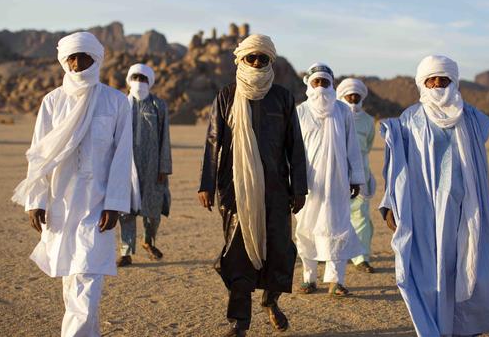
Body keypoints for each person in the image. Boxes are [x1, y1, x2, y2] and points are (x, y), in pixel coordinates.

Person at [379, 55, 489, 336]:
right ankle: (437, 327)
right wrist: (390, 204)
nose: (437, 84)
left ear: (453, 81)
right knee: (429, 273)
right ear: (422, 83)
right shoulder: (410, 119)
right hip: (425, 210)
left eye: (443, 79)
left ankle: (470, 325)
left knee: (472, 269)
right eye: (431, 79)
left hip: (467, 207)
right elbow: (396, 165)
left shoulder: (472, 117)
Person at [11, 32, 132, 337]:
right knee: (71, 282)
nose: (78, 65)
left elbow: (122, 156)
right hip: (61, 204)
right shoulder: (52, 102)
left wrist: (115, 203)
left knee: (87, 281)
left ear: (97, 58)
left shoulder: (116, 101)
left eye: (84, 57)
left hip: (97, 204)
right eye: (71, 58)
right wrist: (36, 200)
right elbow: (39, 153)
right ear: (63, 61)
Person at [198, 34, 307, 337]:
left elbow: (294, 147)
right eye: (251, 57)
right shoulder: (227, 95)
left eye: (263, 58)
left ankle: (271, 301)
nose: (257, 62)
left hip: (275, 189)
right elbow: (213, 143)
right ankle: (239, 323)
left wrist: (300, 187)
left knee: (280, 251)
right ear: (241, 59)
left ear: (271, 61)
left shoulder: (283, 97)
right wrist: (206, 184)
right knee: (238, 254)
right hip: (235, 189)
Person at [295, 63, 365, 297]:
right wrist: (292, 181)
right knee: (306, 229)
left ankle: (336, 281)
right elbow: (292, 151)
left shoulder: (343, 111)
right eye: (317, 82)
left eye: (325, 82)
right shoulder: (300, 112)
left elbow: (352, 147)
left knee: (337, 228)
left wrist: (355, 178)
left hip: (337, 182)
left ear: (332, 84)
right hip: (307, 183)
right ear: (309, 85)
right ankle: (309, 278)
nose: (321, 87)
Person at [117, 63, 172, 266]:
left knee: (153, 209)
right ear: (129, 80)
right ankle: (125, 251)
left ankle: (148, 242)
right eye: (136, 78)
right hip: (125, 165)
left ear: (150, 82)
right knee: (126, 210)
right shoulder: (121, 104)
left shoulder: (158, 105)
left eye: (143, 79)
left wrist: (164, 167)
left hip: (152, 167)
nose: (139, 82)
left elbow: (164, 137)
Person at [336, 78, 377, 273]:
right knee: (333, 216)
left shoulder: (369, 121)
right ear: (341, 96)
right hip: (335, 175)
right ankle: (329, 254)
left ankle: (361, 257)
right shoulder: (333, 116)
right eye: (349, 95)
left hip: (361, 176)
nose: (353, 98)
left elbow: (367, 146)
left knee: (360, 216)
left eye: (356, 95)